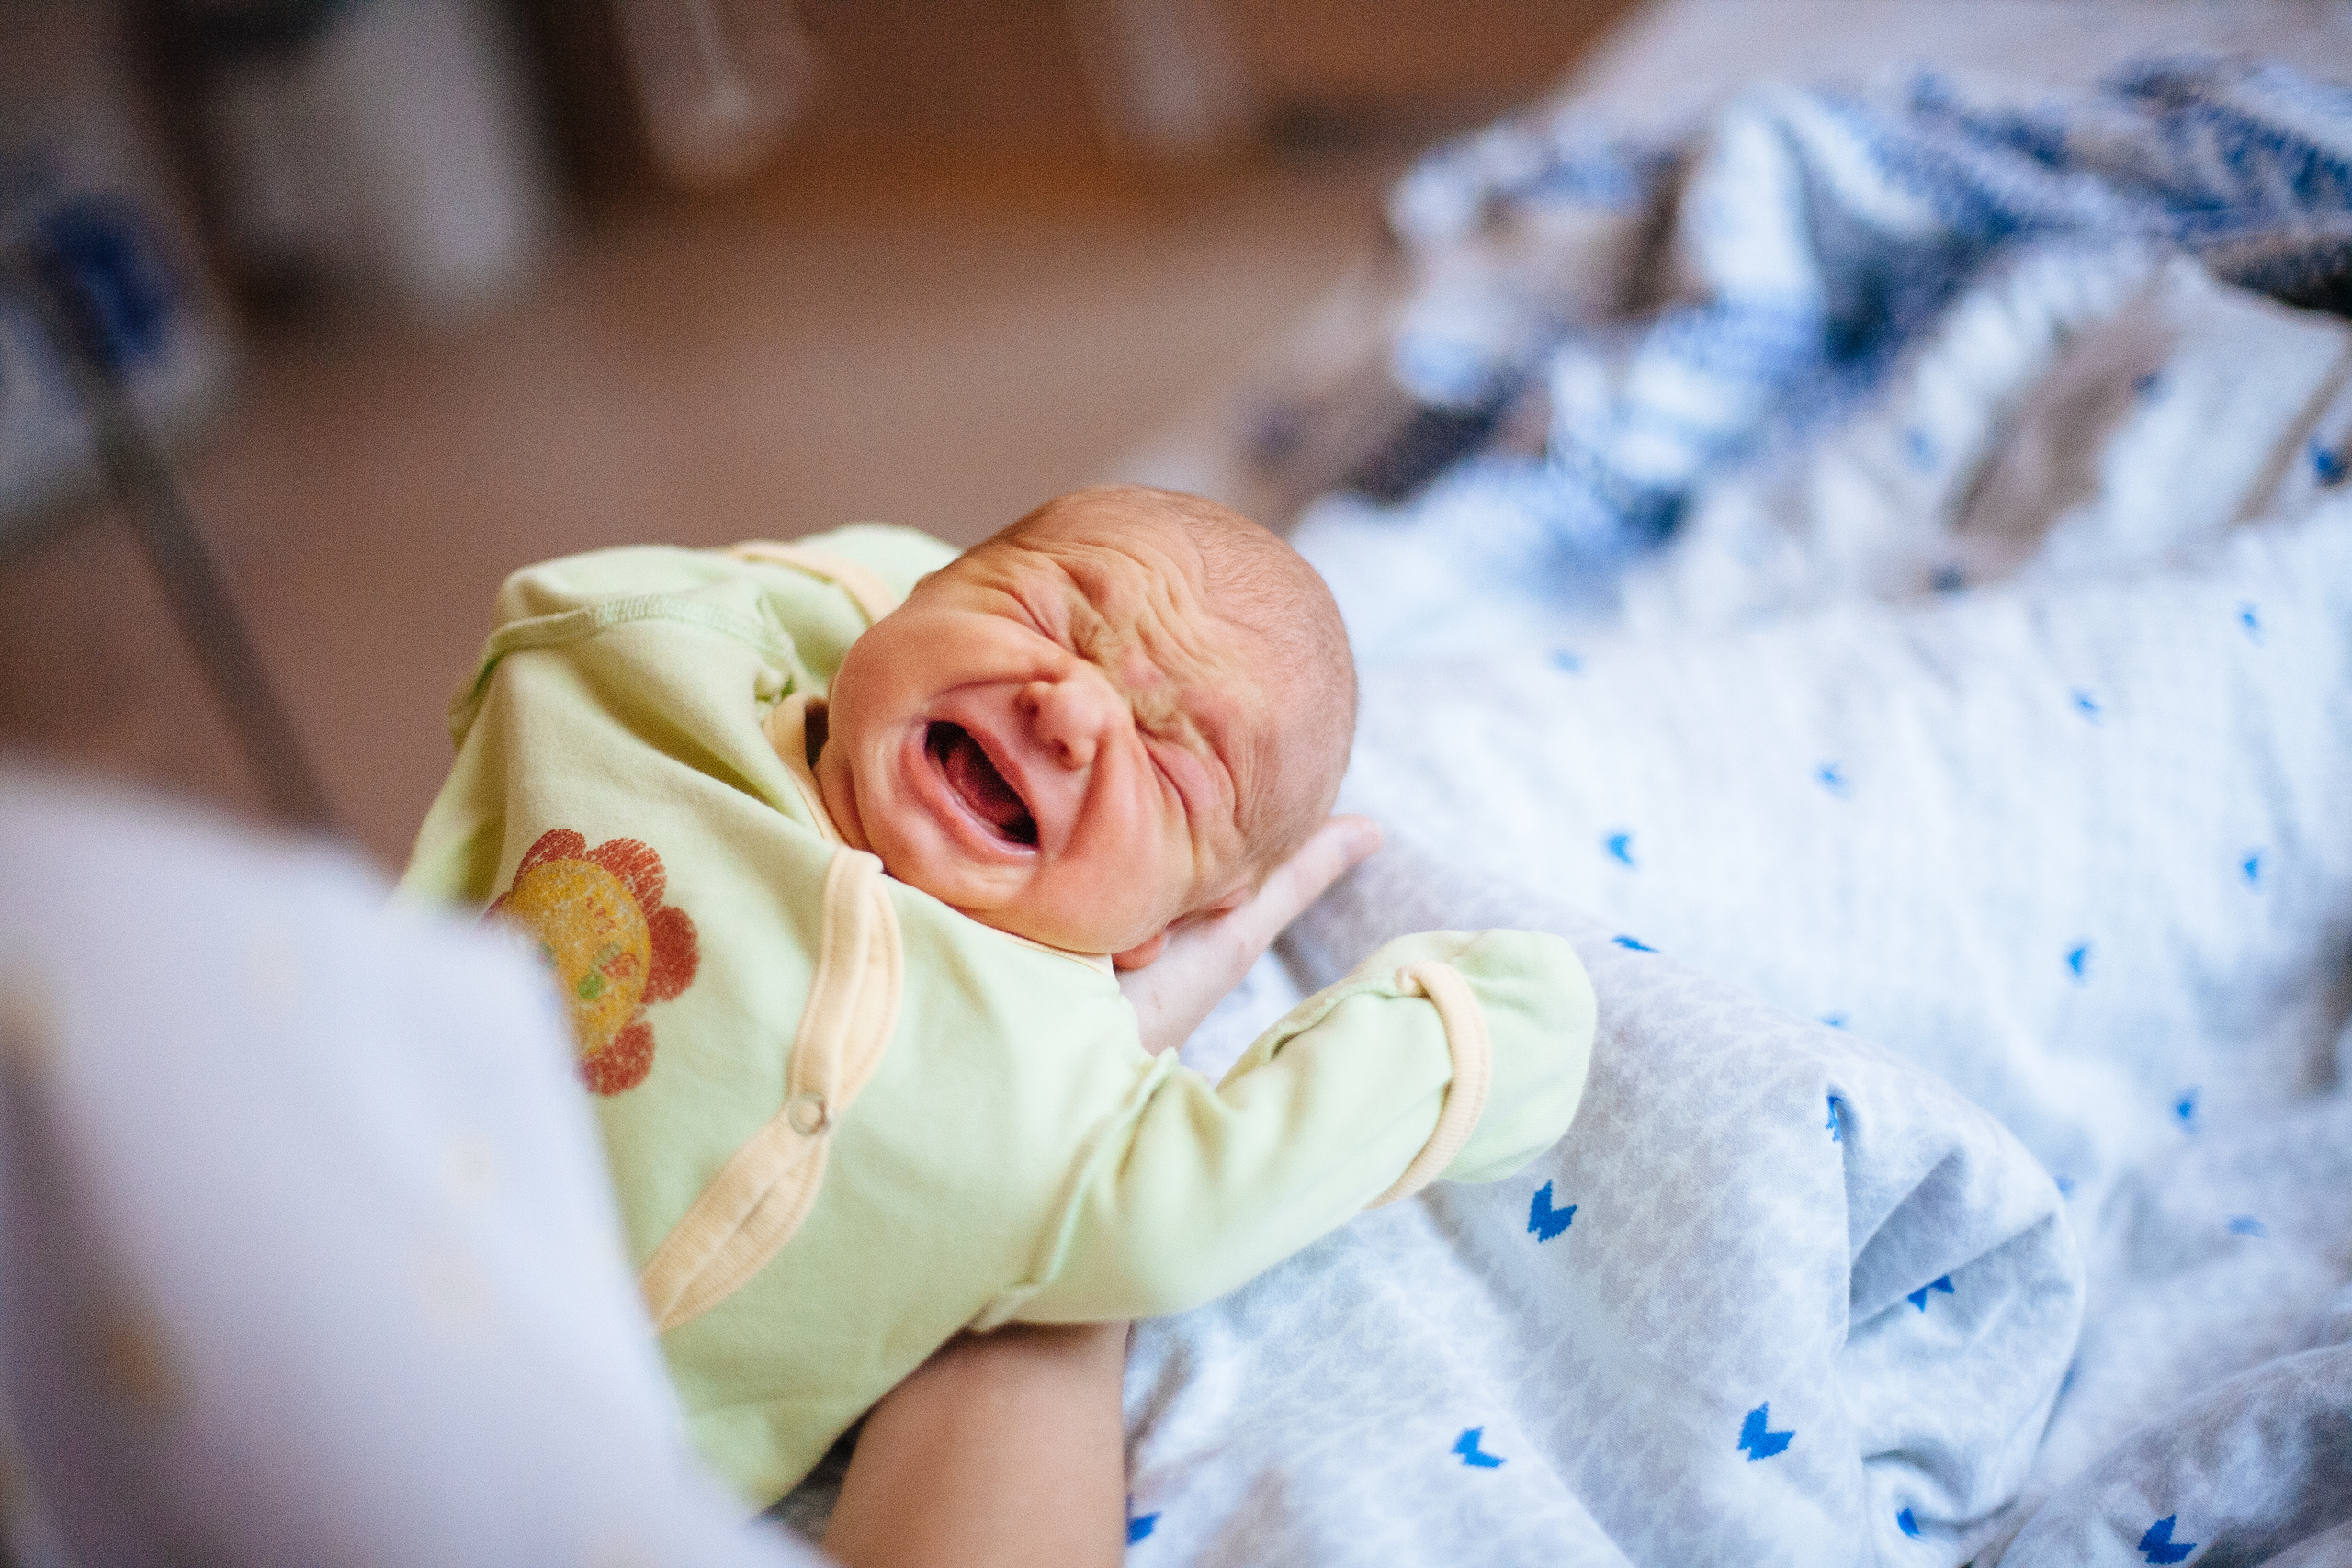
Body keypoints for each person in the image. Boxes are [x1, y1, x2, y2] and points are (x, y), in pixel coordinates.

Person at [401, 484, 1599, 1509]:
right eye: (1048, 618)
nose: (1070, 710)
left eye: (1171, 759)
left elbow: (1202, 1207)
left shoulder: (1061, 1096)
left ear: (1177, 929)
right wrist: (899, 595)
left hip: (540, 1500)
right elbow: (567, 601)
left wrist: (1472, 1037)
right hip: (318, 1182)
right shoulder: (660, 698)